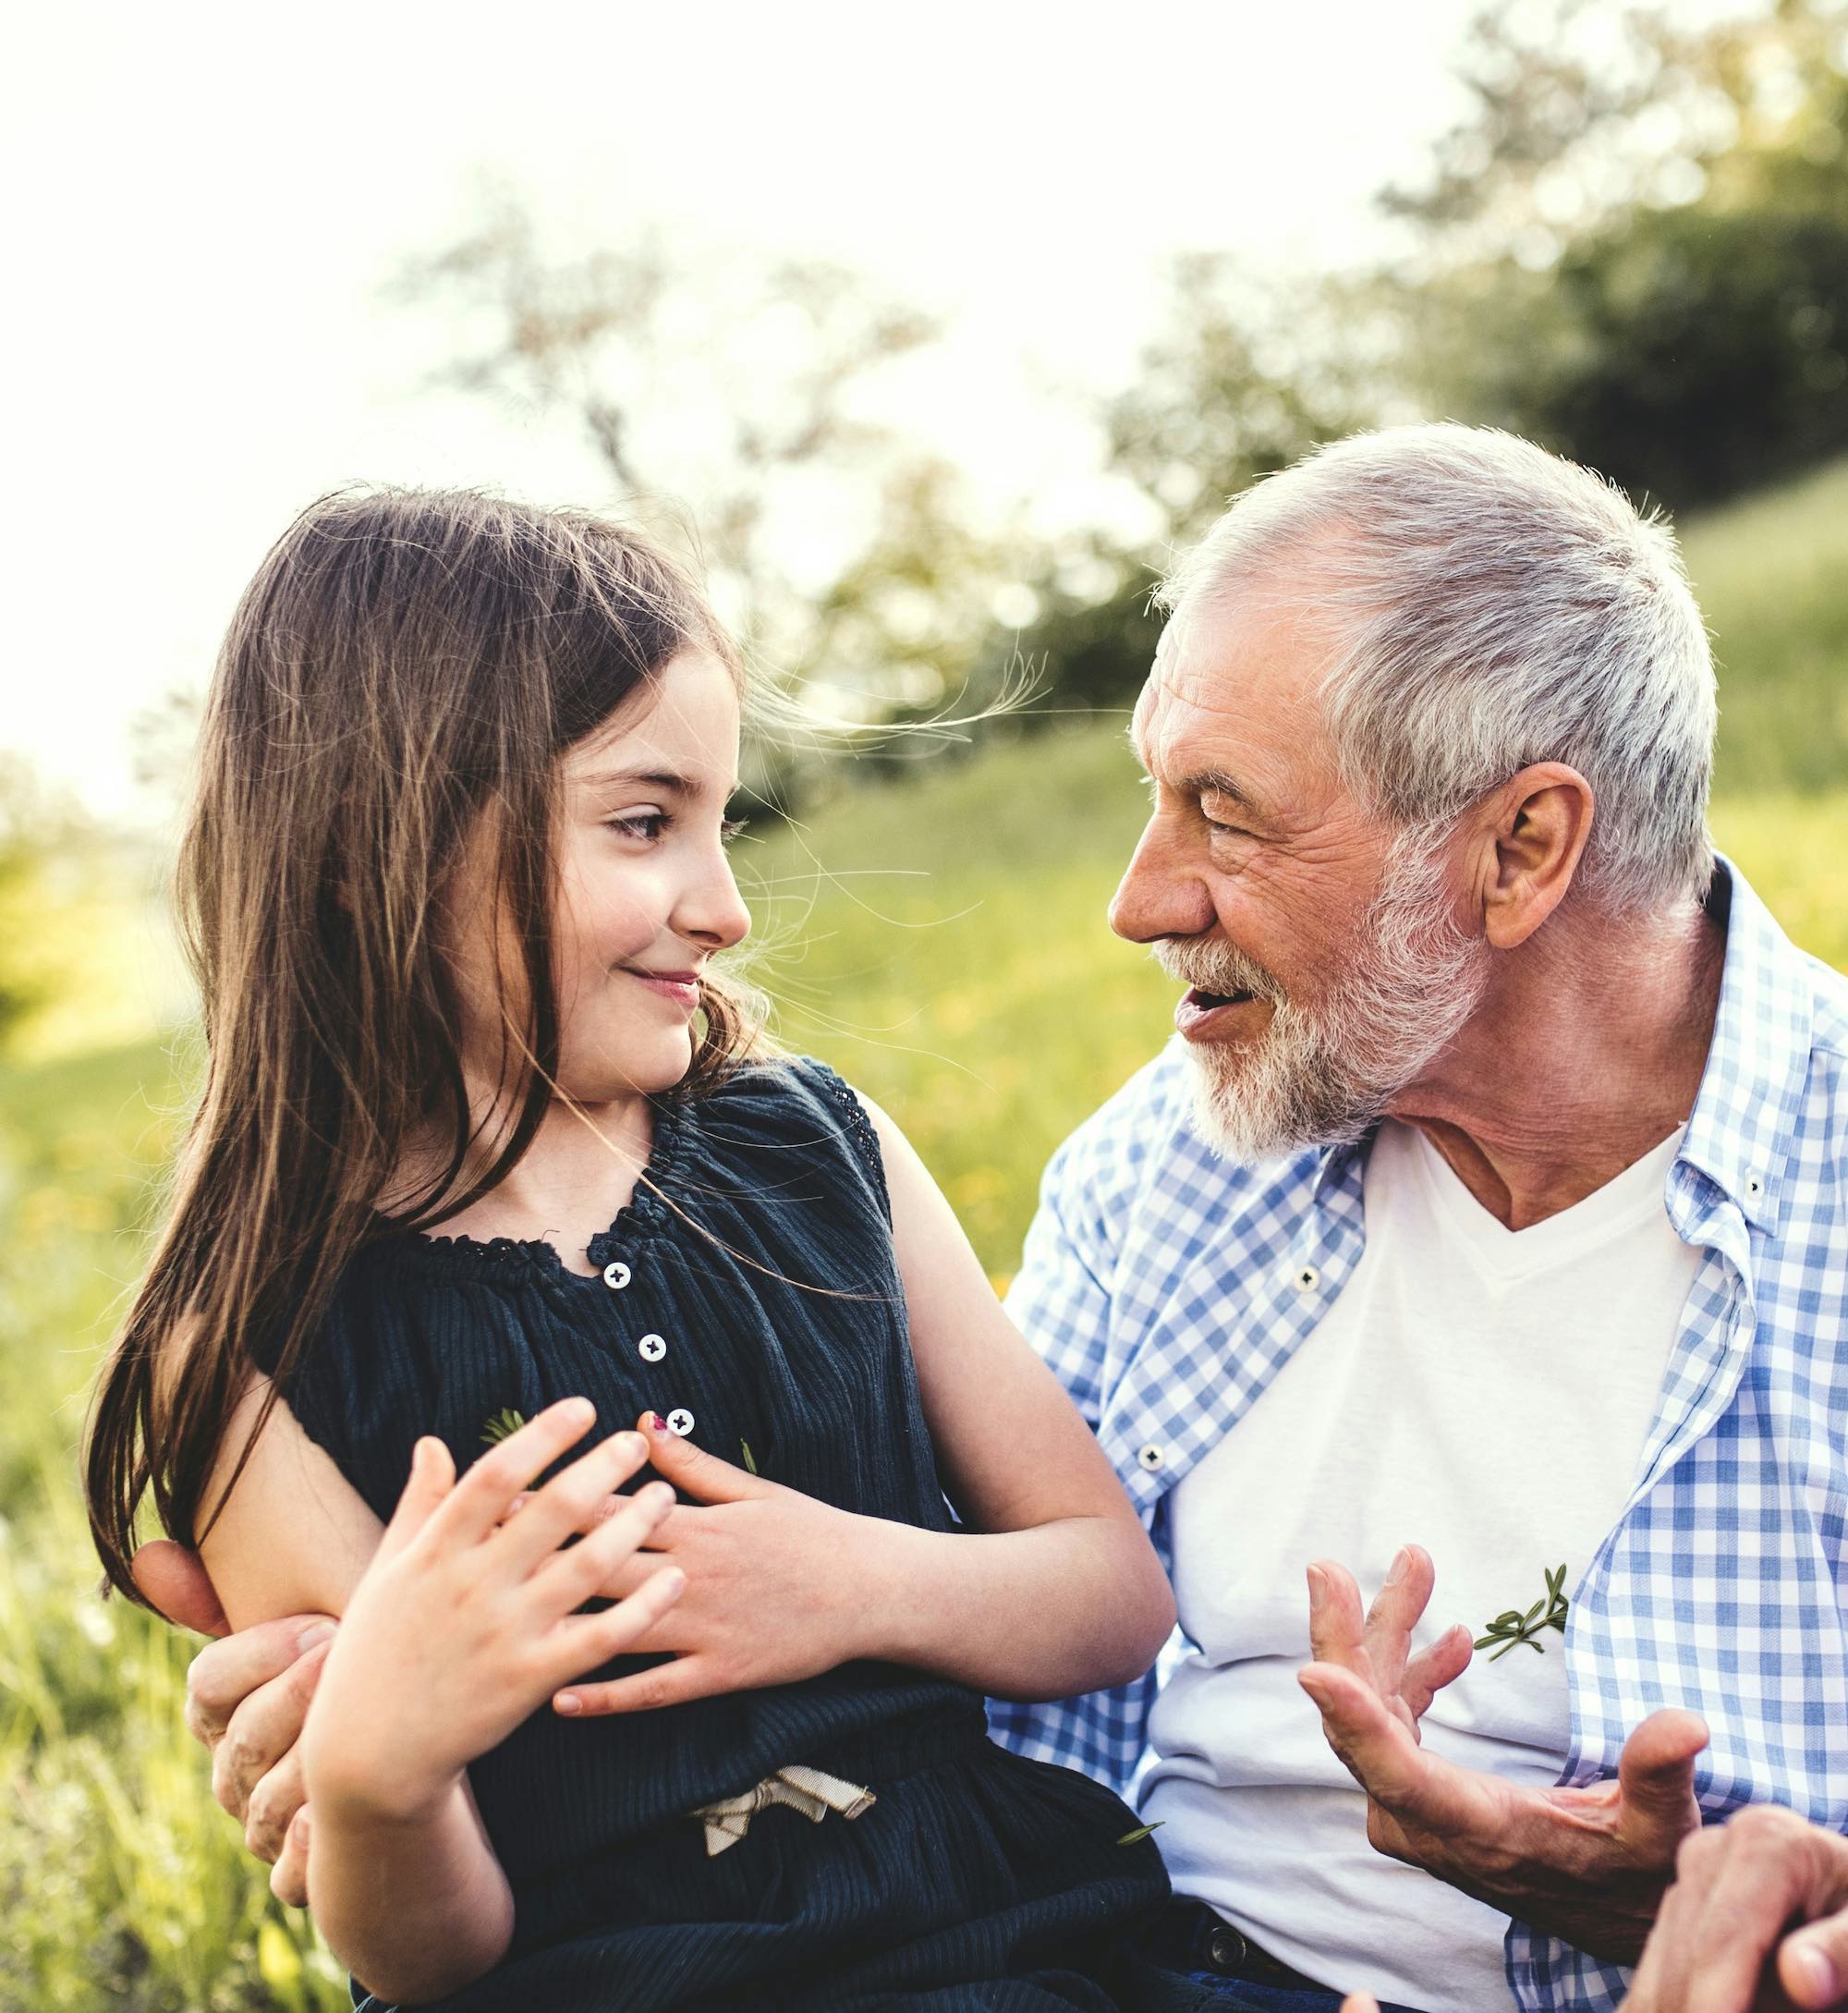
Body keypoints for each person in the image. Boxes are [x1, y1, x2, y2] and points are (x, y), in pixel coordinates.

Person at [83, 487, 1179, 2012]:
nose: (724, 906)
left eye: (722, 824)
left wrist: (851, 1581)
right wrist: (382, 1772)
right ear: (376, 846)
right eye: (644, 821)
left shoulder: (819, 1148)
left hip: (1011, 1934)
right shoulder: (260, 1345)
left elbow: (1112, 1594)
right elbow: (429, 1955)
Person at [981, 423, 1848, 2012]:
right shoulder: (1163, 1164)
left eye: (1223, 814)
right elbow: (979, 1704)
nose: (1142, 896)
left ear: (1521, 848)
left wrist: (1711, 1921)